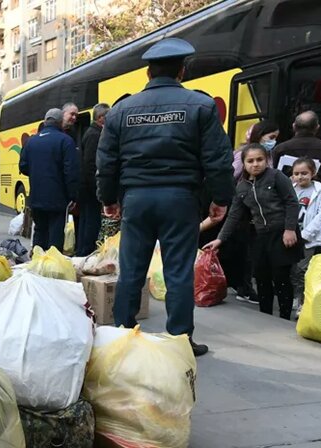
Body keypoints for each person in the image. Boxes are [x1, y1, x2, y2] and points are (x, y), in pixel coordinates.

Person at [97, 38, 235, 357]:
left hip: (137, 199)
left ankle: (123, 335)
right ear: (182, 71)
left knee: (131, 269)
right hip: (180, 199)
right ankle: (179, 340)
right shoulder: (200, 106)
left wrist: (108, 198)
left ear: (147, 73)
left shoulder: (121, 111)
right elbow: (217, 158)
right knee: (178, 272)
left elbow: (106, 162)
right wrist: (220, 198)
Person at [205, 144, 303, 320]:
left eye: (260, 160)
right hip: (260, 236)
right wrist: (220, 240)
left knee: (281, 277)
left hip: (282, 233)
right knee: (262, 277)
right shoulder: (241, 187)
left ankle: (284, 318)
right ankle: (265, 317)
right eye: (250, 161)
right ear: (244, 163)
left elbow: (292, 203)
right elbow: (233, 216)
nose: (255, 164)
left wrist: (289, 229)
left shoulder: (276, 177)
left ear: (267, 160)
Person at [19, 108, 80, 251]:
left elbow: (23, 167)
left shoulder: (32, 141)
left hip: (36, 196)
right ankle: (52, 267)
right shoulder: (66, 141)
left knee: (39, 231)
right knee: (56, 234)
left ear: (45, 121)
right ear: (60, 122)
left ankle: (37, 264)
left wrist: (37, 173)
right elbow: (71, 171)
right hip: (57, 198)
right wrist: (72, 196)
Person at [272, 111, 321, 209]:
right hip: (316, 202)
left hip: (286, 201)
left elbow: (273, 175)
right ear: (317, 127)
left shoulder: (280, 149)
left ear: (294, 126)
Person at [290, 157, 321, 318]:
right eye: (296, 173)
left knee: (301, 270)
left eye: (304, 173)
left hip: (309, 240)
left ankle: (302, 302)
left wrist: (306, 235)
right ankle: (296, 297)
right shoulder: (291, 188)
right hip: (291, 236)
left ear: (313, 173)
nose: (300, 177)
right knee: (292, 270)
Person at [76, 103, 109, 256]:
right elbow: (90, 164)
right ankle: (86, 252)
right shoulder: (94, 135)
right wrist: (97, 189)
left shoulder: (91, 133)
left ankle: (83, 251)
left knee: (86, 220)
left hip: (87, 187)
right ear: (101, 118)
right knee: (91, 222)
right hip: (90, 189)